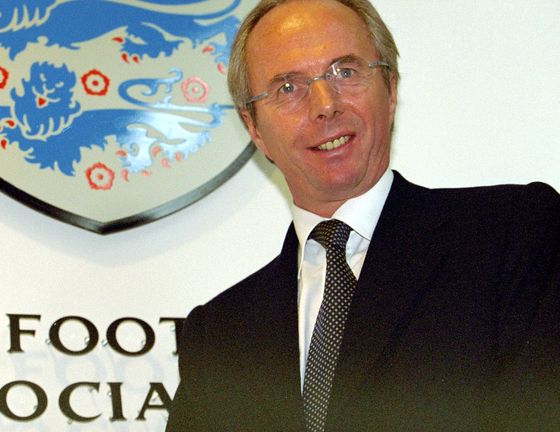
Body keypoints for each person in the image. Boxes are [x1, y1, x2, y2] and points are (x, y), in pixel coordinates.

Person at [165, 0, 560, 431]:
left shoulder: (512, 235)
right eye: (288, 87)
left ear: (390, 90)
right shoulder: (219, 336)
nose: (324, 104)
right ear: (254, 128)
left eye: (345, 72)